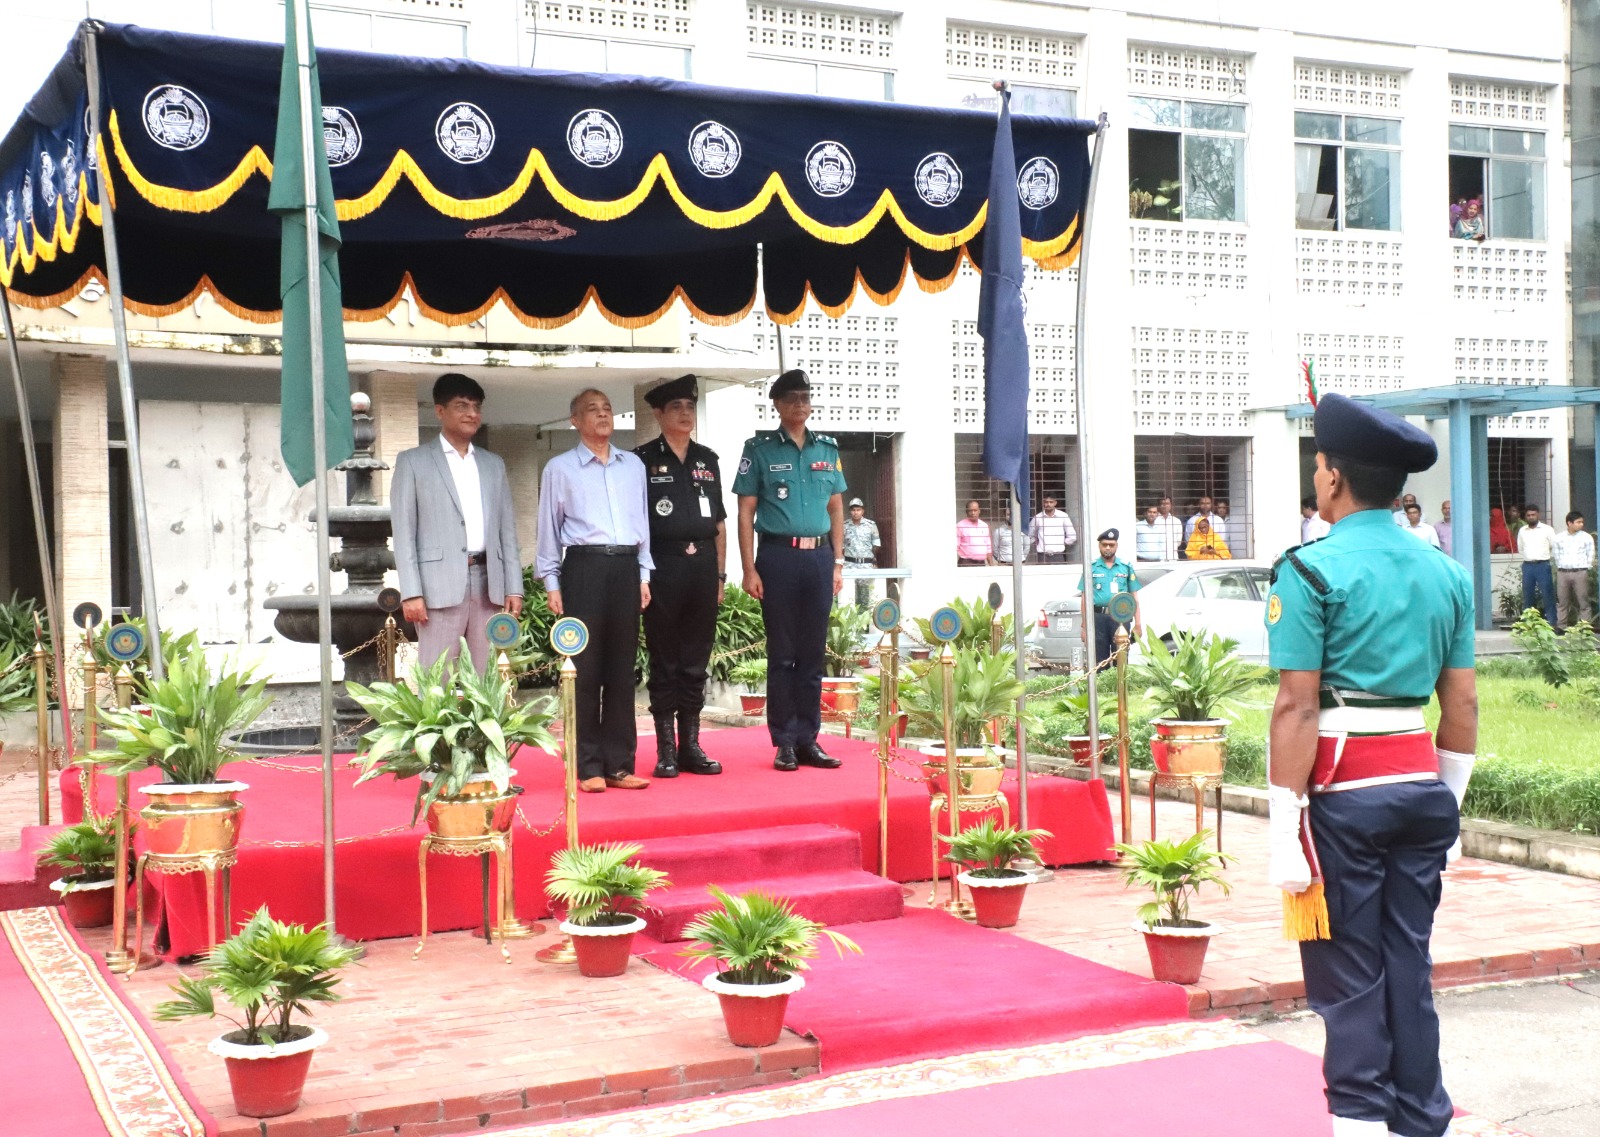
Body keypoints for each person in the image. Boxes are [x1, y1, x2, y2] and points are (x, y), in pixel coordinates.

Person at [1264, 391, 1477, 1137]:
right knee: (1407, 967)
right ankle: (1423, 1119)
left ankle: (1359, 1122)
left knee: (1350, 978)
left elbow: (1294, 706)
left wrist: (1281, 823)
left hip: (1345, 795)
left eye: (1318, 466)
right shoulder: (1446, 572)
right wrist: (1450, 808)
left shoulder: (1309, 570)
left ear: (1331, 479)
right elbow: (1464, 706)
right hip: (1421, 790)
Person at [536, 389, 653, 793]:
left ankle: (619, 764)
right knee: (584, 670)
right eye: (592, 410)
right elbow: (548, 529)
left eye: (607, 408)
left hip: (625, 568)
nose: (603, 415)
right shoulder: (559, 468)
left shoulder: (633, 465)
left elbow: (644, 526)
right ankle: (588, 767)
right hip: (583, 568)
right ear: (574, 421)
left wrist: (644, 574)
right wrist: (552, 581)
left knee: (622, 669)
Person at [733, 369, 847, 773]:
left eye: (805, 397)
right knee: (783, 655)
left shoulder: (828, 449)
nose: (800, 404)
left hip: (818, 559)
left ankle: (808, 741)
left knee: (812, 654)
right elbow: (745, 512)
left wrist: (837, 562)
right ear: (777, 405)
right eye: (791, 398)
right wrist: (748, 568)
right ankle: (783, 742)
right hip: (778, 558)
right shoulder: (760, 450)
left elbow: (836, 508)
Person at [391, 373, 523, 672]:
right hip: (438, 588)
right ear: (440, 411)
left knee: (487, 679)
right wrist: (411, 592)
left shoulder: (493, 464)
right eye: (462, 406)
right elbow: (403, 532)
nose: (472, 414)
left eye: (476, 406)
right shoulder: (413, 461)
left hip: (489, 585)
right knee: (436, 681)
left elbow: (507, 532)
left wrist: (514, 587)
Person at [634, 374, 724, 779]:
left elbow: (718, 523)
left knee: (696, 659)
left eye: (689, 406)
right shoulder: (641, 460)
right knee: (665, 658)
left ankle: (691, 744)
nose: (685, 413)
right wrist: (643, 576)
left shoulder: (708, 459)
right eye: (676, 407)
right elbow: (637, 524)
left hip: (702, 566)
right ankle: (665, 749)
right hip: (662, 566)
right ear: (658, 413)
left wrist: (721, 575)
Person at [1083, 528, 1142, 669]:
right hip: (1098, 618)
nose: (1108, 548)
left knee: (1121, 657)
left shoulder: (1126, 567)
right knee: (1099, 660)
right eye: (1104, 544)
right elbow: (1084, 598)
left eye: (1111, 544)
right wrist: (1084, 626)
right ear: (1099, 546)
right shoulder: (1091, 568)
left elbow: (1134, 597)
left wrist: (1138, 623)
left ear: (1116, 546)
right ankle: (1103, 689)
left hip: (1121, 618)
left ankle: (1121, 688)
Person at [1553, 511, 1596, 629]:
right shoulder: (1559, 538)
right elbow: (1556, 555)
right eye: (1578, 522)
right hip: (1563, 572)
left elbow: (1590, 554)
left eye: (1582, 522)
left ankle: (1584, 627)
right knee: (1562, 601)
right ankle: (1561, 627)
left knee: (1583, 601)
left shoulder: (1586, 537)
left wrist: (1586, 567)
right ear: (1569, 523)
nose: (1581, 524)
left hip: (1580, 572)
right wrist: (1561, 566)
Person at [1517, 505, 1558, 626]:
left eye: (1533, 515)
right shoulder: (1522, 531)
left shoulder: (1547, 529)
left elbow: (1553, 546)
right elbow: (1520, 548)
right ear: (1525, 516)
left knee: (1547, 594)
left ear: (1538, 515)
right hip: (1528, 566)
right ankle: (1528, 624)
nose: (1531, 517)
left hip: (1543, 565)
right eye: (1528, 515)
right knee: (1528, 595)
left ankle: (1551, 623)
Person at [842, 497, 881, 608]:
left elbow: (877, 545)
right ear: (850, 511)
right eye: (853, 510)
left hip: (866, 565)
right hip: (849, 565)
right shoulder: (844, 526)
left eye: (858, 510)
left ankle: (866, 624)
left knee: (865, 596)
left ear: (862, 511)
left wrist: (874, 560)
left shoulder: (871, 525)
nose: (856, 512)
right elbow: (841, 546)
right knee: (849, 596)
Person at [1028, 495, 1077, 563]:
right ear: (1043, 503)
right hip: (1042, 556)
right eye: (1046, 502)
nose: (1048, 504)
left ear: (1055, 503)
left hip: (1058, 556)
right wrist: (1037, 543)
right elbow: (1030, 535)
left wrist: (1061, 543)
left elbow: (1072, 536)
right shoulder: (1038, 518)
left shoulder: (1063, 516)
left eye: (1051, 502)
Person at [956, 500, 995, 566]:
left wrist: (991, 564)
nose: (973, 513)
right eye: (970, 510)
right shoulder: (960, 526)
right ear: (966, 512)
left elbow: (988, 547)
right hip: (966, 563)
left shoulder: (984, 526)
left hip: (981, 563)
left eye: (975, 510)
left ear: (979, 511)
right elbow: (955, 546)